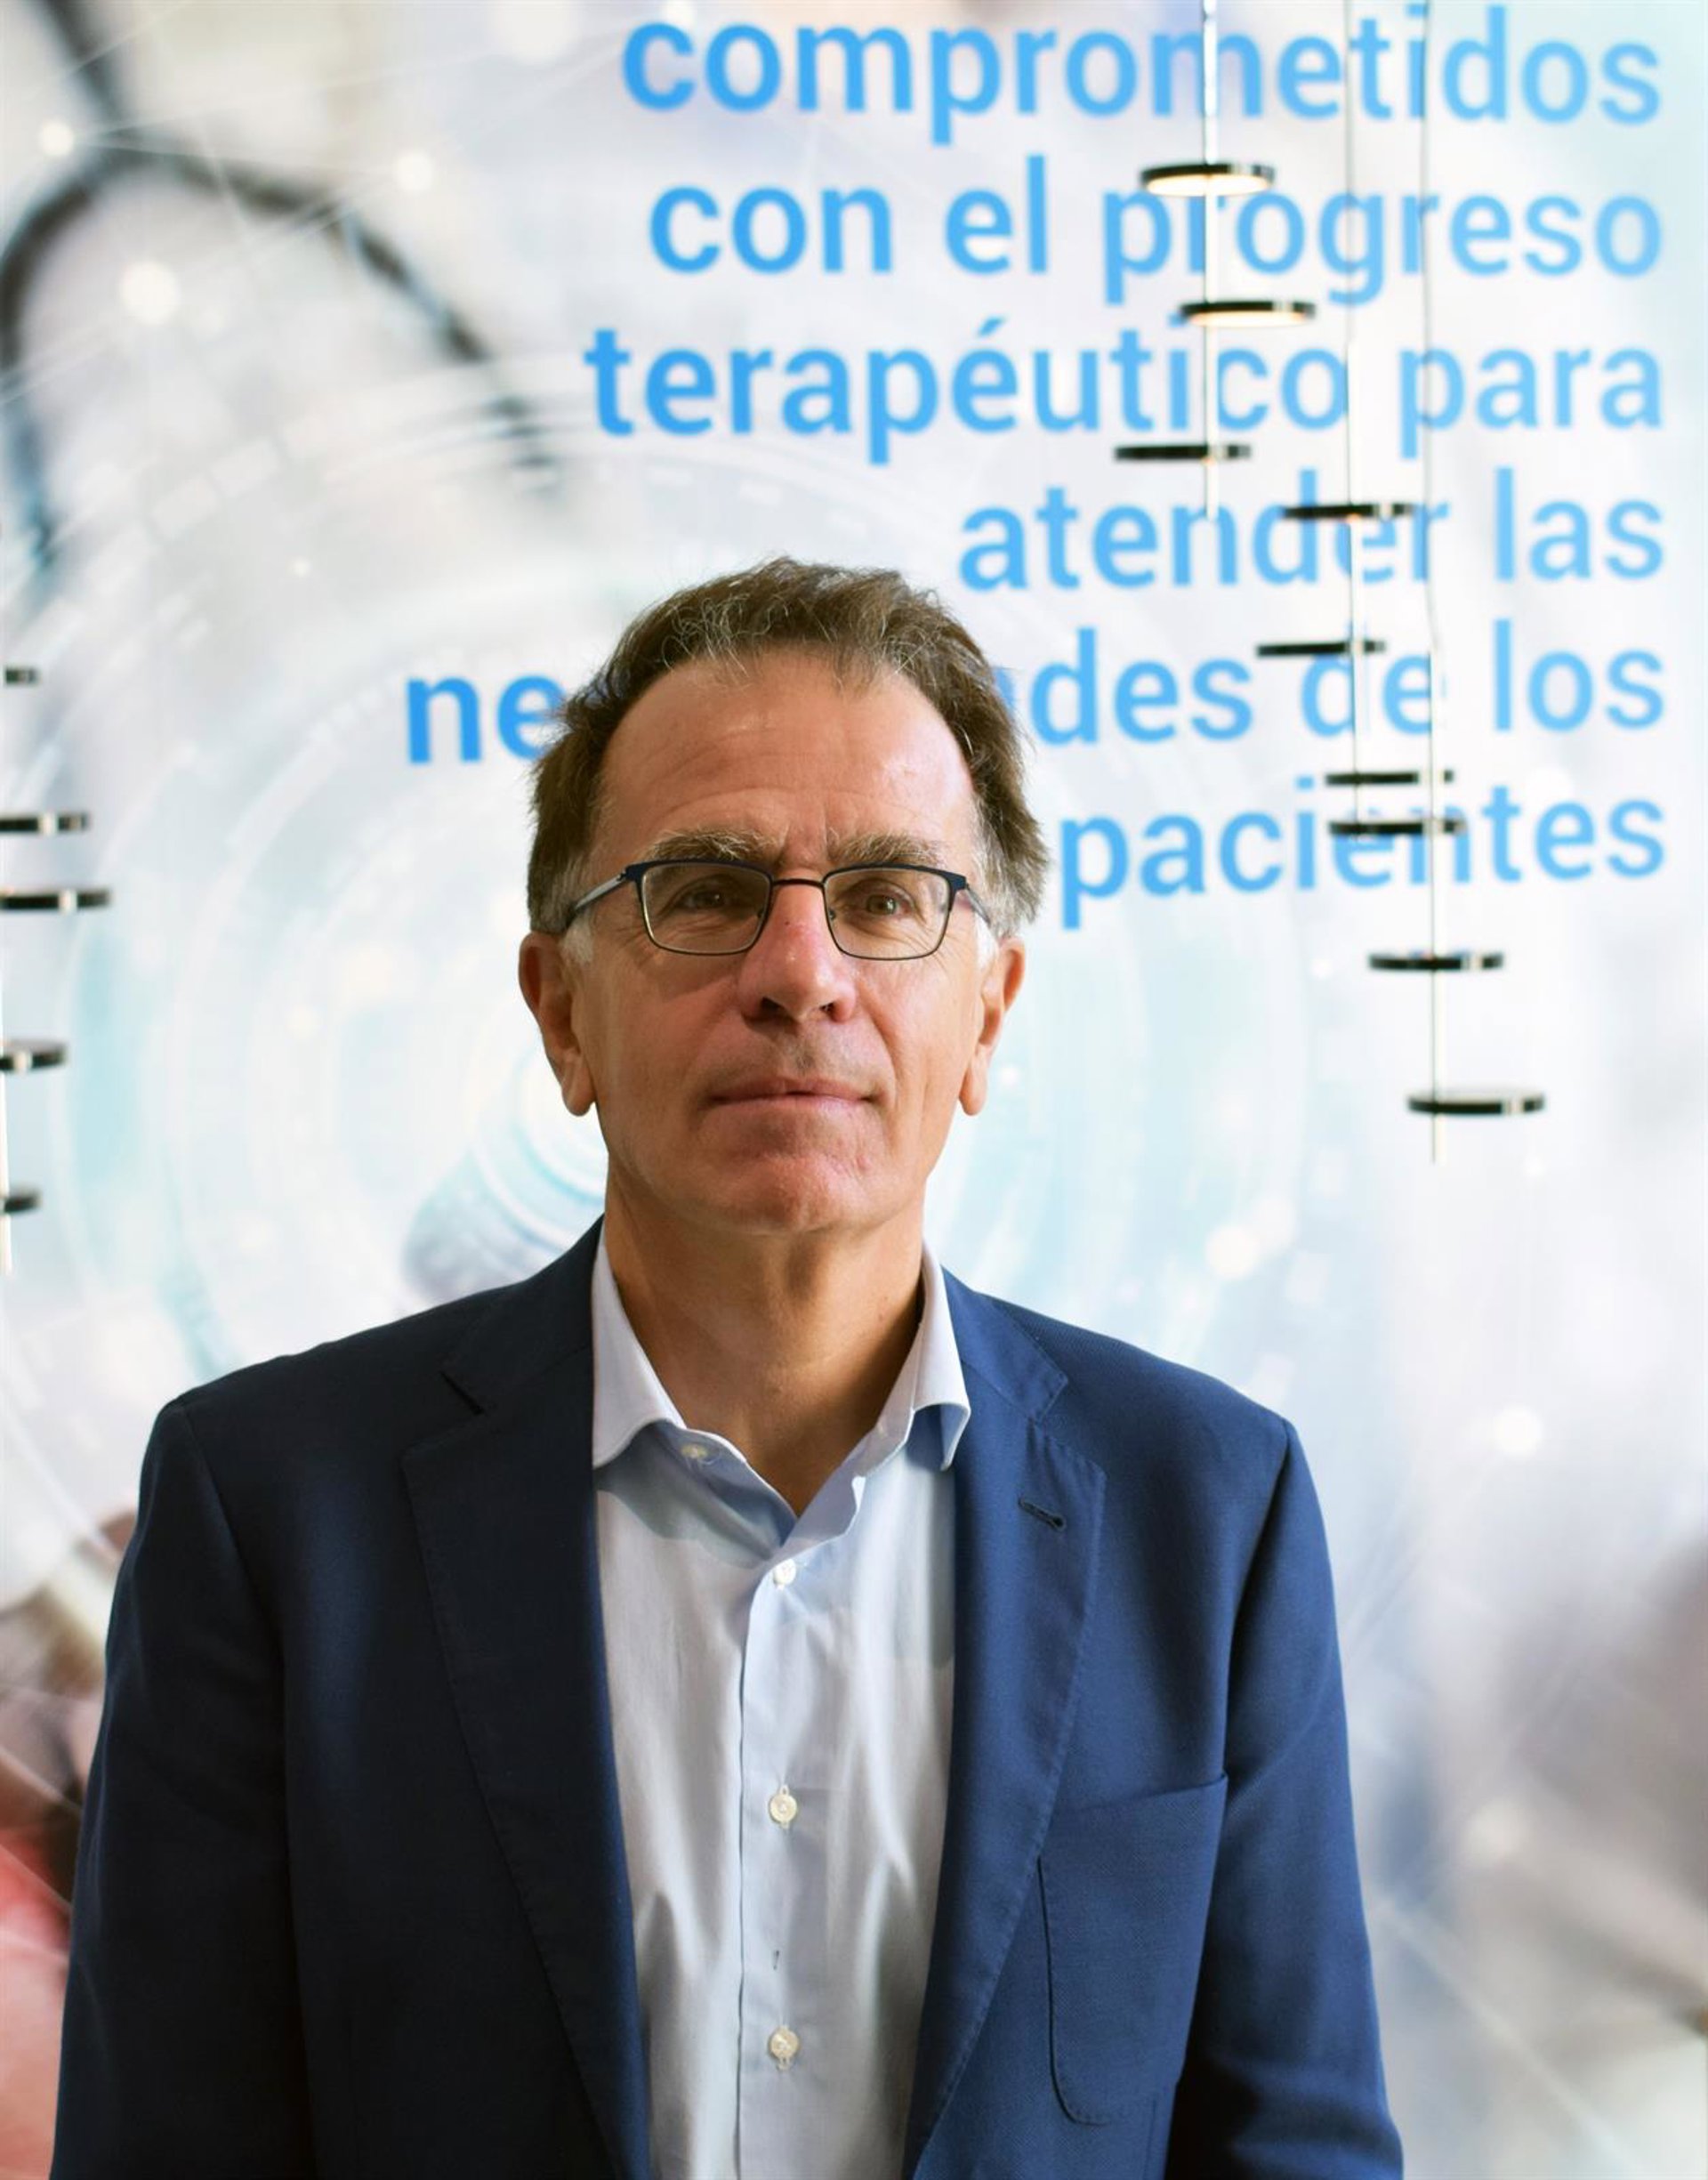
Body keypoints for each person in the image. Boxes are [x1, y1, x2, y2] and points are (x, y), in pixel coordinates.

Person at [52, 559, 1402, 2178]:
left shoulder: (1210, 1510)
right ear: (561, 1011)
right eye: (702, 889)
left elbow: (1295, 2149)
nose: (800, 971)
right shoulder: (271, 1512)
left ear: (987, 1017)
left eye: (888, 897)